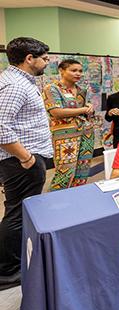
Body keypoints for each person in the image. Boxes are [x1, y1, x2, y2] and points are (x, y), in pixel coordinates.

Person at [0, 37, 52, 290]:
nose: (47, 61)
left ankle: (14, 263)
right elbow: (0, 128)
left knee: (21, 212)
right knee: (17, 214)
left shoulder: (22, 82)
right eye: (44, 57)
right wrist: (27, 158)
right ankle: (7, 271)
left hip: (26, 158)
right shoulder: (14, 85)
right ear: (29, 58)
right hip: (21, 161)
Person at [43, 59, 95, 191]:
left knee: (82, 171)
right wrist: (84, 109)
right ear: (61, 71)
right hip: (65, 137)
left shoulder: (81, 90)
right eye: (73, 70)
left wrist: (89, 107)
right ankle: (55, 203)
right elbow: (56, 112)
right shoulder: (52, 88)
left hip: (86, 133)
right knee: (65, 172)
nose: (78, 74)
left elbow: (87, 110)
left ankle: (75, 200)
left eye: (80, 71)